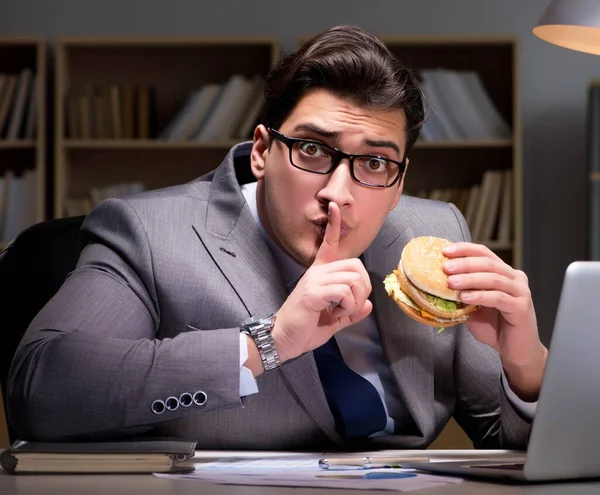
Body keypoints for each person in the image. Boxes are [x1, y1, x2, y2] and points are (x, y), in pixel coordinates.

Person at [7, 25, 547, 450]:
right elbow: (44, 391)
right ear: (263, 151)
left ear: (400, 179)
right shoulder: (148, 232)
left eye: (375, 163)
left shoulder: (434, 234)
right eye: (313, 150)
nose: (339, 192)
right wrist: (266, 343)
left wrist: (526, 364)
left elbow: (507, 440)